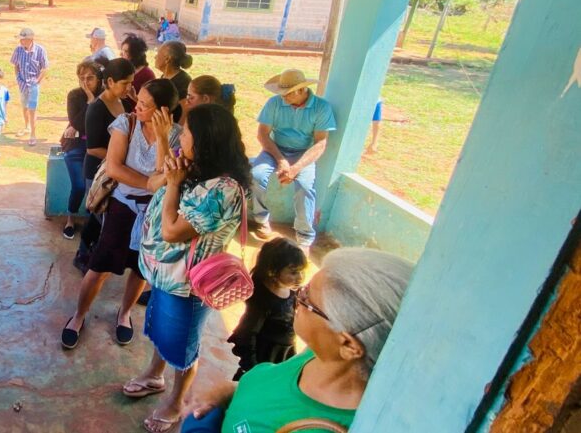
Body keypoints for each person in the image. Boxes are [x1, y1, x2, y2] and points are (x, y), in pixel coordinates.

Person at [181, 248, 414, 433]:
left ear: (348, 345)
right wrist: (226, 392)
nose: (296, 298)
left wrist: (197, 425)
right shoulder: (319, 354)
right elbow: (272, 393)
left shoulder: (324, 427)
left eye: (306, 300)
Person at [123, 103, 251, 433]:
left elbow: (172, 230)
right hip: (165, 275)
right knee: (161, 332)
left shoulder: (221, 190)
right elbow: (159, 178)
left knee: (183, 346)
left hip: (188, 285)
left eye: (189, 130)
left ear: (206, 139)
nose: (184, 134)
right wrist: (166, 140)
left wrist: (175, 182)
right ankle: (154, 376)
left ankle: (176, 401)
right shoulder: (196, 167)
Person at [63, 79, 180, 350]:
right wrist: (148, 183)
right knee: (100, 265)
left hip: (153, 211)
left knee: (140, 268)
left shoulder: (175, 134)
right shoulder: (125, 124)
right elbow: (115, 168)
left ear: (163, 111)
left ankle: (124, 313)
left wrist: (162, 137)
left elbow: (166, 173)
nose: (136, 106)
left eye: (144, 105)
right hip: (123, 204)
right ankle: (79, 316)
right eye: (137, 100)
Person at [249, 69, 337, 247]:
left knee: (305, 187)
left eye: (287, 94)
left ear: (302, 90)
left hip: (303, 153)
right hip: (274, 149)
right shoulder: (274, 103)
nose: (283, 98)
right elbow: (263, 134)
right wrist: (281, 160)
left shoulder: (322, 107)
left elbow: (320, 143)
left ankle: (305, 235)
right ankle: (261, 218)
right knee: (256, 175)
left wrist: (295, 168)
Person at [76, 58, 135, 271]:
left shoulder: (126, 102)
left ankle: (85, 253)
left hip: (117, 169)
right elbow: (92, 148)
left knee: (101, 216)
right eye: (125, 83)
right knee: (98, 215)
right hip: (98, 170)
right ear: (110, 81)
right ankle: (86, 255)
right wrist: (120, 159)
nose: (129, 88)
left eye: (131, 83)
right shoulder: (97, 109)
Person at [227, 237, 308, 381]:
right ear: (272, 271)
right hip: (265, 356)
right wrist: (252, 369)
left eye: (302, 271)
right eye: (293, 272)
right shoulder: (262, 301)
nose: (300, 277)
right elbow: (245, 335)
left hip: (283, 352)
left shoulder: (290, 289)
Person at [62, 59, 102, 240]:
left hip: (97, 149)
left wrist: (94, 101)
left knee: (92, 188)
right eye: (82, 78)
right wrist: (91, 101)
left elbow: (102, 126)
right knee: (78, 186)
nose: (86, 82)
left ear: (99, 79)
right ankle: (70, 218)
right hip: (76, 147)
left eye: (90, 78)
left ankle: (91, 223)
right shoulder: (74, 95)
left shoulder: (106, 96)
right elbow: (77, 123)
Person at [10, 27, 48, 145]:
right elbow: (15, 65)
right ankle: (27, 127)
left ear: (30, 39)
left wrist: (37, 81)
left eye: (23, 39)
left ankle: (33, 134)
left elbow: (45, 68)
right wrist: (18, 78)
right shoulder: (18, 50)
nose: (21, 42)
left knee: (32, 109)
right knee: (24, 106)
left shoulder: (40, 50)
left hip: (33, 84)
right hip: (22, 83)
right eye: (20, 39)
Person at [155, 40, 193, 122]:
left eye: (158, 54)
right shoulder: (165, 76)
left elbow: (185, 110)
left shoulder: (183, 81)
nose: (155, 57)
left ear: (167, 59)